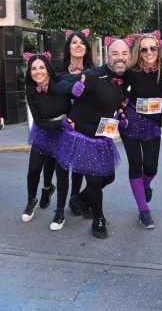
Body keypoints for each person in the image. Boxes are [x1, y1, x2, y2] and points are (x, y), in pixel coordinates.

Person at [55, 37, 131, 239]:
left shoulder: (122, 80)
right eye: (115, 54)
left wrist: (120, 118)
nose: (120, 58)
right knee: (96, 181)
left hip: (101, 136)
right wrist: (71, 88)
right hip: (80, 136)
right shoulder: (93, 75)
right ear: (108, 56)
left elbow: (114, 106)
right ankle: (98, 218)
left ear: (129, 57)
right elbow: (60, 84)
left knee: (109, 177)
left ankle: (79, 199)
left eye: (124, 54)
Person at [44, 29, 97, 216]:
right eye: (74, 42)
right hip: (62, 123)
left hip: (83, 123)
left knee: (80, 165)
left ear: (86, 48)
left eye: (82, 43)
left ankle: (76, 200)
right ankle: (58, 201)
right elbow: (54, 89)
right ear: (68, 47)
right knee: (63, 165)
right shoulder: (58, 68)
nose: (78, 46)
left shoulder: (93, 70)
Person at [119, 31, 162, 229]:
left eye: (152, 48)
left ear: (159, 49)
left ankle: (145, 185)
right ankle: (143, 210)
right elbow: (119, 93)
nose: (148, 52)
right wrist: (120, 109)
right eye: (144, 49)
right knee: (135, 165)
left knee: (151, 167)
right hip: (131, 121)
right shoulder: (131, 72)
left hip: (153, 123)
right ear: (138, 51)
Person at [22, 52, 71, 230]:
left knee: (62, 172)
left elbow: (76, 103)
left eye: (41, 67)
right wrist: (60, 121)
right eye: (33, 68)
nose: (38, 71)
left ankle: (59, 212)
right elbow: (40, 122)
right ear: (29, 72)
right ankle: (31, 200)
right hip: (43, 132)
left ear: (48, 69)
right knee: (33, 169)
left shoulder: (61, 84)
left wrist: (69, 120)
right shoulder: (31, 93)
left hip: (64, 134)